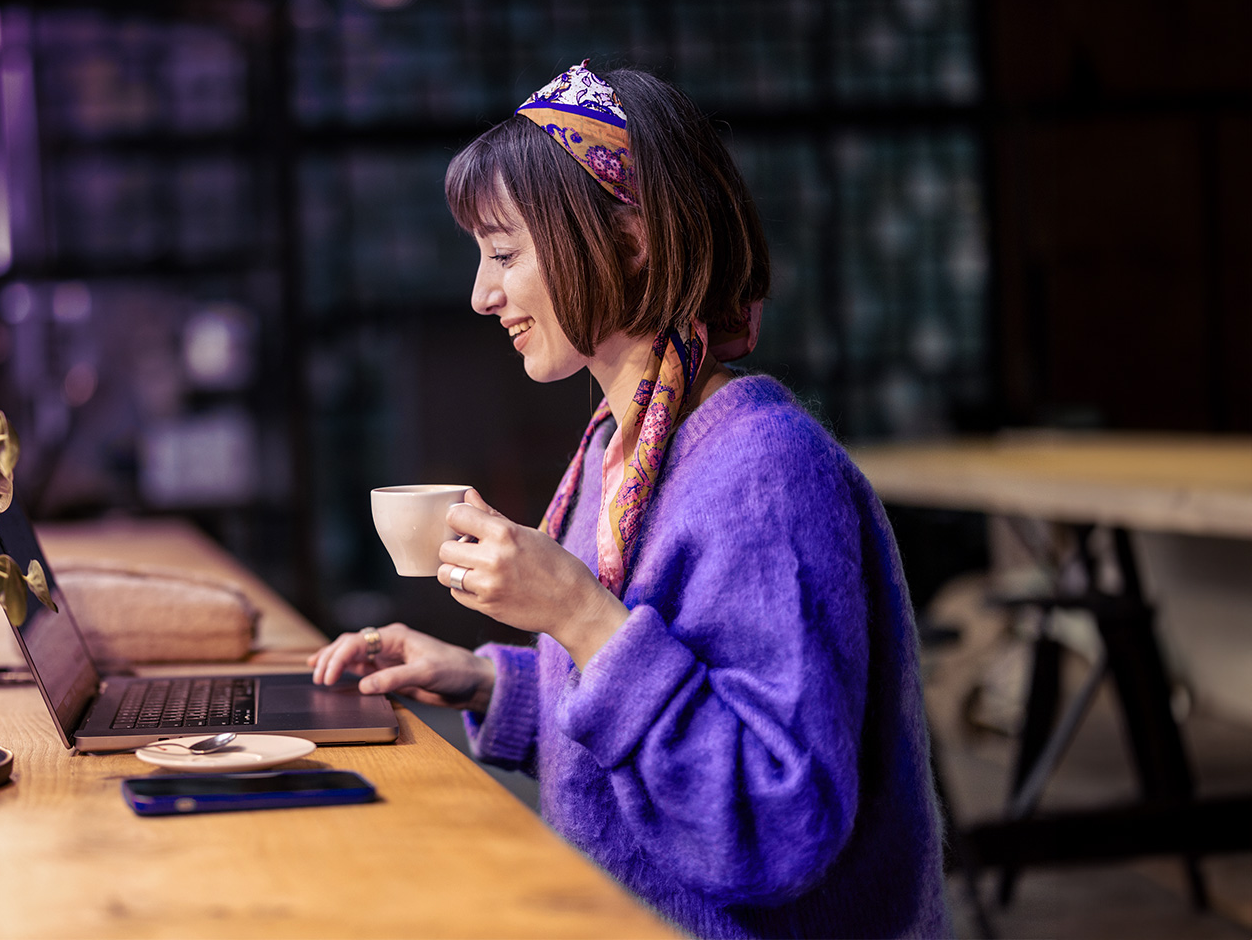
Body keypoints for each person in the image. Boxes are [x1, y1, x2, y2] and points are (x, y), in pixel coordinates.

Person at [309, 63, 947, 939]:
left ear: (632, 239)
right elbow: (637, 721)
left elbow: (773, 829)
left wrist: (576, 612)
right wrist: (485, 681)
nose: (480, 294)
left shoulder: (763, 471)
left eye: (504, 253)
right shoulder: (620, 444)